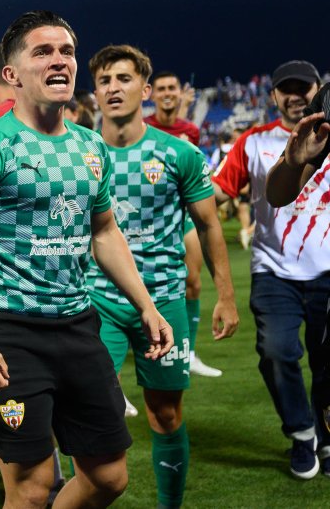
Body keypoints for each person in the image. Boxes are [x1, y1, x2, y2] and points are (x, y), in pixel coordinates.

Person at [0, 11, 173, 509]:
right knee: (29, 487)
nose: (60, 60)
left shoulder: (91, 146)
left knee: (109, 477)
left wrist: (146, 305)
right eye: (42, 52)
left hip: (77, 325)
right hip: (9, 331)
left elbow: (105, 231)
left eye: (66, 50)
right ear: (12, 75)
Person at [88, 44, 239, 507]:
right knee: (92, 413)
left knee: (166, 415)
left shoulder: (178, 153)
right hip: (98, 303)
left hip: (166, 299)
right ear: (94, 93)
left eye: (124, 78)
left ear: (146, 89)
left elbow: (211, 224)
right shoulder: (78, 152)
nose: (114, 88)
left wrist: (225, 296)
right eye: (105, 81)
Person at [212, 59, 330, 478]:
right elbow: (218, 192)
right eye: (287, 88)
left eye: (304, 87)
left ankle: (327, 435)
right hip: (273, 268)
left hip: (327, 271)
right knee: (277, 352)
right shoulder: (252, 141)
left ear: (319, 89)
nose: (296, 94)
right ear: (274, 95)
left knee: (326, 363)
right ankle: (302, 434)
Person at [147, 70, 221, 377]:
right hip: (145, 221)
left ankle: (188, 352)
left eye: (171, 88)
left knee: (193, 282)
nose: (166, 92)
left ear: (180, 93)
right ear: (151, 93)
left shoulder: (189, 129)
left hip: (182, 217)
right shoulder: (142, 127)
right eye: (161, 87)